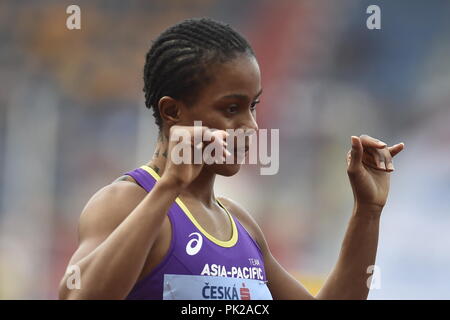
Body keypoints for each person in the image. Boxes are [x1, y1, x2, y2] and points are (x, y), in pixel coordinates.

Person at [58, 18, 404, 300]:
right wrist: (168, 188)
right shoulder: (124, 202)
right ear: (172, 111)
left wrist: (367, 213)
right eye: (231, 108)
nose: (251, 126)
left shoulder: (242, 227)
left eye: (252, 106)